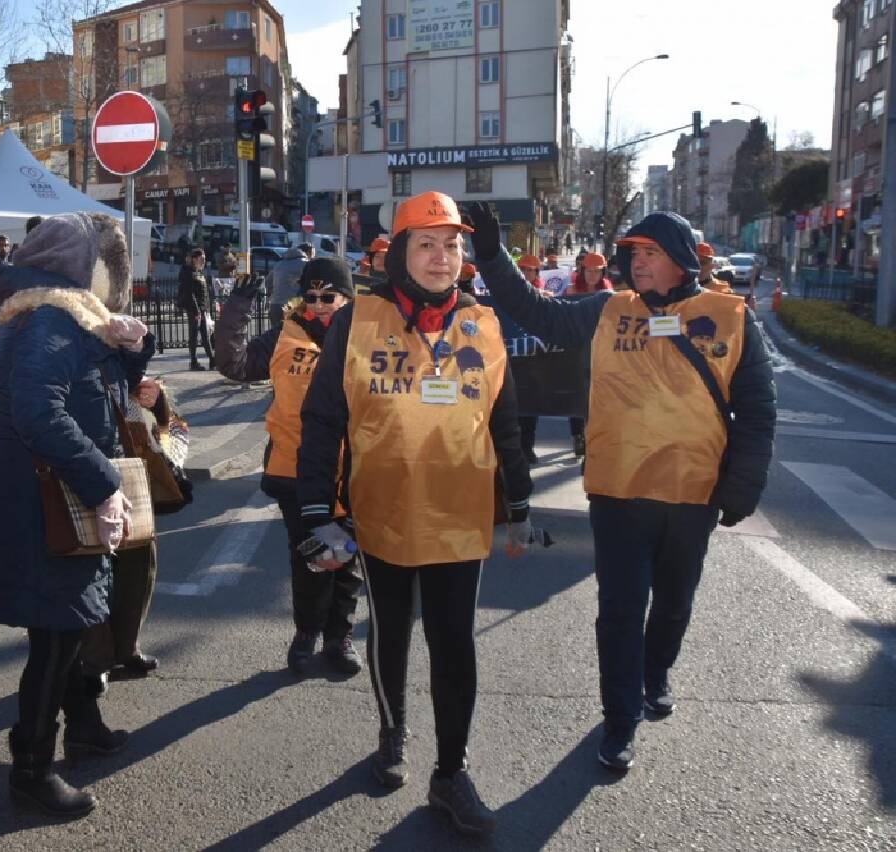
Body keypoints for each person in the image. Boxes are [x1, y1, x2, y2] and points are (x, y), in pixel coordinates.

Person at [469, 203, 776, 772]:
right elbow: (537, 312)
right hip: (617, 491)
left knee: (675, 603)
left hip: (692, 495)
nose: (638, 262)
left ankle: (656, 671)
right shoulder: (609, 309)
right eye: (634, 252)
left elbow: (757, 410)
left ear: (682, 261)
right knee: (618, 612)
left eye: (651, 253)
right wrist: (492, 255)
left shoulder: (731, 317)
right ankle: (620, 720)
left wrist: (743, 485)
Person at [297, 192, 534, 838]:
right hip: (382, 515)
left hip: (459, 519)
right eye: (426, 244)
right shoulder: (358, 320)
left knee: (455, 646)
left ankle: (450, 774)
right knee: (392, 631)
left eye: (452, 245)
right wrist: (317, 510)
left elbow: (505, 422)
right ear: (400, 253)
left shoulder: (483, 325)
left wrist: (520, 502)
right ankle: (392, 728)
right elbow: (322, 419)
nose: (441, 257)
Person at [0, 212, 155, 818]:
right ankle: (31, 768)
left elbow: (95, 396)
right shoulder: (53, 319)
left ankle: (85, 726)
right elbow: (39, 413)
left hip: (45, 499)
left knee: (70, 622)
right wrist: (102, 486)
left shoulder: (57, 318)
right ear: (85, 270)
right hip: (46, 504)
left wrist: (130, 350)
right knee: (58, 633)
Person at [216, 257, 364, 677]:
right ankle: (306, 634)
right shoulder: (284, 332)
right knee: (312, 557)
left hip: (353, 470)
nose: (318, 305)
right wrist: (236, 307)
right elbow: (234, 364)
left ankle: (340, 638)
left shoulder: (368, 335)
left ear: (348, 297)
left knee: (348, 559)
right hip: (295, 468)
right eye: (310, 296)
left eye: (328, 297)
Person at [79, 376, 185, 688]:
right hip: (86, 449)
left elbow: (165, 418)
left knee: (139, 556)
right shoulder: (62, 336)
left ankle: (127, 646)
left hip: (131, 449)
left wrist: (158, 399)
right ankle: (95, 657)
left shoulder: (123, 338)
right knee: (91, 558)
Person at [177, 247, 214, 370]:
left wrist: (207, 308)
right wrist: (197, 310)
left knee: (205, 335)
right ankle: (193, 362)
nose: (203, 261)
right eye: (201, 258)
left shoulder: (197, 271)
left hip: (201, 309)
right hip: (194, 309)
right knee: (194, 335)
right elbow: (189, 293)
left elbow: (204, 292)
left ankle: (212, 360)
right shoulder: (188, 272)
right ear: (194, 259)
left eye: (204, 258)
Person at [266, 244, 310, 323]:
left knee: (276, 333)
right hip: (294, 305)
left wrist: (272, 295)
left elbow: (268, 282)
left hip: (275, 304)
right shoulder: (306, 264)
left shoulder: (278, 265)